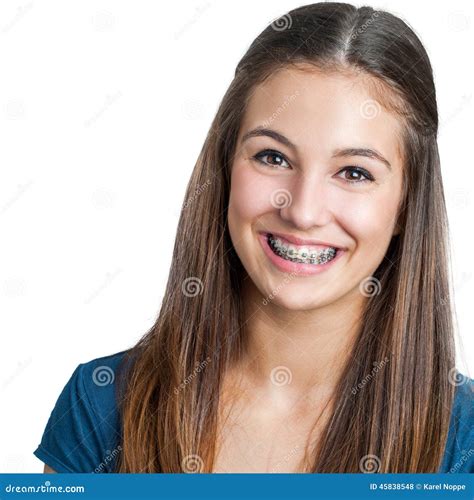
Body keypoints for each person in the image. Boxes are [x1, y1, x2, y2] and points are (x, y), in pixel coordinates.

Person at [34, 2, 473, 473]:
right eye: (273, 158)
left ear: (407, 203)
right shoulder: (101, 408)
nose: (303, 211)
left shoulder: (464, 441)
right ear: (225, 167)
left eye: (354, 172)